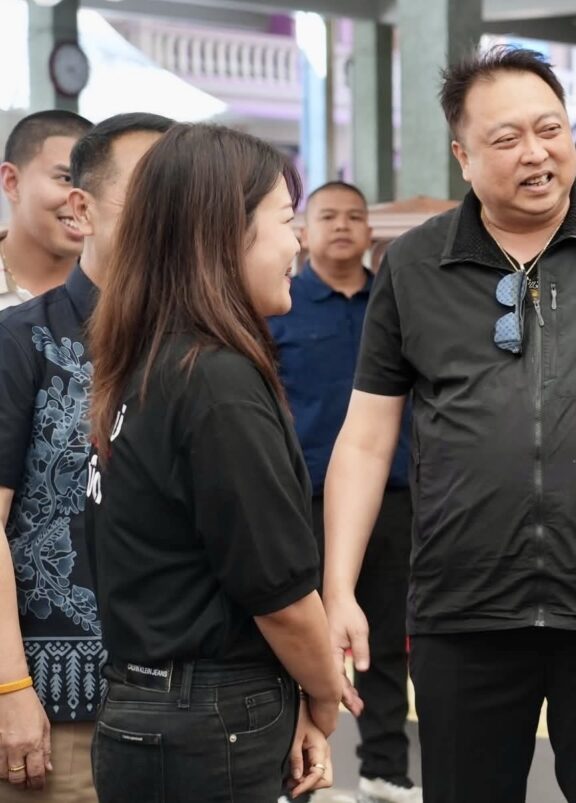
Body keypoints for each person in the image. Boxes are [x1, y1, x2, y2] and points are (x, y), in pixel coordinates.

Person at [323, 46, 576, 803]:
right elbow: (365, 440)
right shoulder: (413, 265)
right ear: (463, 157)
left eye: (550, 129)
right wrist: (338, 587)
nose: (536, 152)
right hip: (464, 608)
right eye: (507, 139)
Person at [85, 123, 355, 802]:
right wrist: (325, 696)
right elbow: (279, 594)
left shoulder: (148, 362)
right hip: (211, 721)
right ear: (224, 234)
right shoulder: (214, 379)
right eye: (286, 220)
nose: (298, 243)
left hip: (147, 707)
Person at [0, 112, 172, 801]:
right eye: (150, 191)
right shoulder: (21, 340)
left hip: (190, 714)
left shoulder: (201, 345)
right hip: (60, 715)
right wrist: (11, 687)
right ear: (85, 207)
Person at [268, 181, 420, 803]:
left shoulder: (395, 301)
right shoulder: (279, 302)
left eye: (354, 217)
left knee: (384, 638)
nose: (342, 226)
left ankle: (386, 770)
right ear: (304, 230)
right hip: (303, 499)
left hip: (395, 496)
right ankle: (294, 773)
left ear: (367, 231)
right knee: (297, 635)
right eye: (327, 216)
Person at [0, 110, 92, 310]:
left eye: (94, 185)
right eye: (66, 179)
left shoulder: (123, 292)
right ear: (12, 182)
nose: (83, 200)